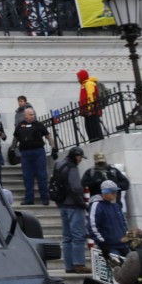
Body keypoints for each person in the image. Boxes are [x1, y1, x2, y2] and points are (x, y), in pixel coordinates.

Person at [54, 146, 89, 274]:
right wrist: (83, 204)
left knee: (67, 237)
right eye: (80, 157)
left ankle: (69, 266)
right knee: (78, 236)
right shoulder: (72, 168)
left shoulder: (59, 163)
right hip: (74, 205)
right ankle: (79, 264)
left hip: (62, 204)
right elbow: (76, 188)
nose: (80, 160)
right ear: (76, 156)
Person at [13, 108, 55, 206]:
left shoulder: (38, 124)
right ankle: (29, 199)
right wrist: (12, 149)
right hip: (25, 153)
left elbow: (48, 136)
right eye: (30, 114)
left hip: (38, 152)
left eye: (33, 114)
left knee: (41, 175)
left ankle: (45, 198)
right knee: (27, 176)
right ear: (25, 115)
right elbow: (16, 138)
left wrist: (53, 147)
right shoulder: (20, 125)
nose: (33, 116)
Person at [87, 179, 129, 259]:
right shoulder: (97, 205)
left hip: (122, 245)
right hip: (109, 246)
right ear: (105, 193)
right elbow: (92, 226)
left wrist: (127, 238)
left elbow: (123, 223)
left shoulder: (116, 206)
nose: (115, 194)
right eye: (112, 192)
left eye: (116, 192)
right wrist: (102, 243)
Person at [77, 68, 104, 142]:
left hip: (91, 111)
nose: (78, 79)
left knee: (94, 126)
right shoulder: (84, 84)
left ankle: (97, 139)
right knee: (89, 126)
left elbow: (90, 96)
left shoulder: (89, 83)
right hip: (88, 111)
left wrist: (90, 109)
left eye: (79, 77)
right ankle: (92, 139)